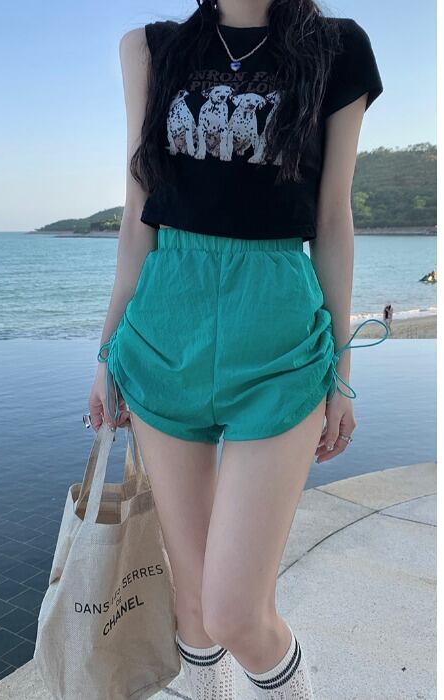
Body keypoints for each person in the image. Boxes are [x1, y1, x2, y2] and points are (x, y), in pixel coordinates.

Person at [88, 1, 388, 697]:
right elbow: (138, 216)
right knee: (193, 611)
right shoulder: (150, 49)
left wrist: (341, 372)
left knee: (234, 612)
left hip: (278, 338)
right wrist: (106, 354)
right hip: (164, 331)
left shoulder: (338, 47)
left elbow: (332, 219)